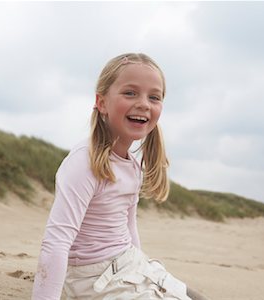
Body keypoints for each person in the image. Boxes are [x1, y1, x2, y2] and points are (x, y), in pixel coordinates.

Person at [31, 53, 208, 300]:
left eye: (154, 97)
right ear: (101, 102)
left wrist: (141, 267)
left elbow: (129, 226)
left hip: (128, 264)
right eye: (130, 93)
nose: (144, 103)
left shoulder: (133, 165)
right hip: (94, 278)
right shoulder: (85, 162)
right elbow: (56, 242)